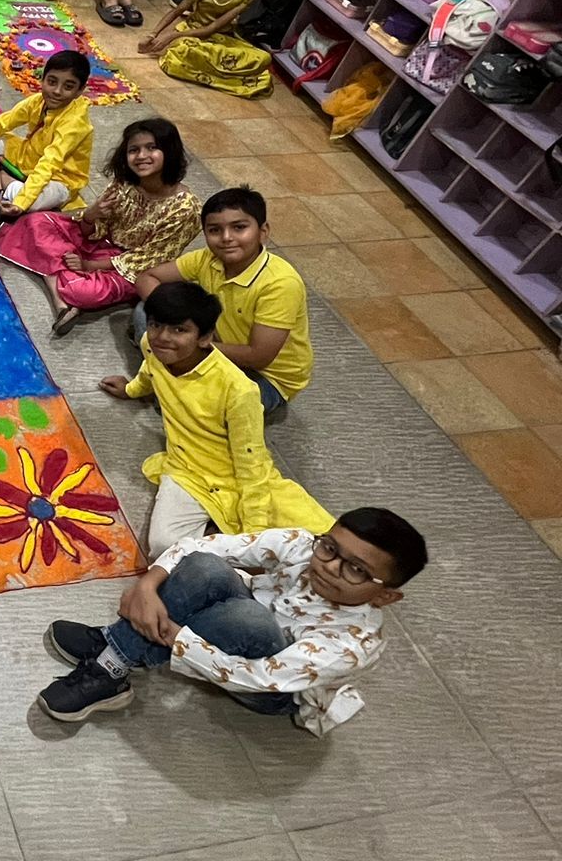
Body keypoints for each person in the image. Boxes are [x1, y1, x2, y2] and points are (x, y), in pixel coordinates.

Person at [36, 506, 427, 734]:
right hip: (232, 622)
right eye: (329, 548)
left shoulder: (354, 644)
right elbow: (202, 546)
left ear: (385, 595)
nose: (328, 566)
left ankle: (113, 660)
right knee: (206, 569)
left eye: (356, 570)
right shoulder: (304, 546)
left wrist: (177, 638)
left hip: (271, 688)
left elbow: (257, 676)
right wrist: (148, 587)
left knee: (245, 619)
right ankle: (117, 652)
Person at [99, 281, 331, 557]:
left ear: (205, 337)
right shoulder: (152, 345)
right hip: (185, 471)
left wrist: (252, 536)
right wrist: (129, 390)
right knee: (163, 547)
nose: (162, 337)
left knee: (314, 545)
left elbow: (251, 460)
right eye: (155, 324)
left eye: (179, 330)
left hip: (232, 474)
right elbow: (149, 372)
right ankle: (216, 538)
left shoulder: (239, 390)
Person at [0, 118, 200, 337]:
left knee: (82, 291)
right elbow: (94, 228)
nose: (141, 156)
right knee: (36, 221)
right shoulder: (125, 181)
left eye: (152, 148)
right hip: (100, 243)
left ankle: (59, 285)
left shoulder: (185, 208)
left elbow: (148, 261)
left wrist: (89, 265)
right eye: (134, 150)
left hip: (132, 268)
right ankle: (61, 296)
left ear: (170, 151)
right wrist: (90, 217)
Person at [135, 186, 312, 413]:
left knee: (221, 407)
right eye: (215, 230)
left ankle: (168, 377)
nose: (226, 238)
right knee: (145, 311)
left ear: (263, 231)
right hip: (212, 345)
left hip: (266, 378)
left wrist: (193, 343)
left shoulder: (280, 283)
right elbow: (147, 278)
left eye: (239, 228)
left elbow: (258, 357)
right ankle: (172, 378)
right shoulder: (208, 258)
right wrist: (172, 320)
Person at [0, 49, 93, 223]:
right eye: (52, 82)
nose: (57, 91)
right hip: (25, 159)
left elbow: (49, 164)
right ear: (42, 79)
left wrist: (21, 204)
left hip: (59, 179)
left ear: (80, 91)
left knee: (31, 203)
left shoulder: (76, 123)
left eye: (68, 87)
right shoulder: (36, 101)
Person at [140, 0, 271, 98]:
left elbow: (213, 27)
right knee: (183, 50)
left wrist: (171, 36)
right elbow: (177, 10)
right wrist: (152, 35)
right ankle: (222, 74)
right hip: (190, 34)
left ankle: (213, 73)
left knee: (263, 58)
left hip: (220, 38)